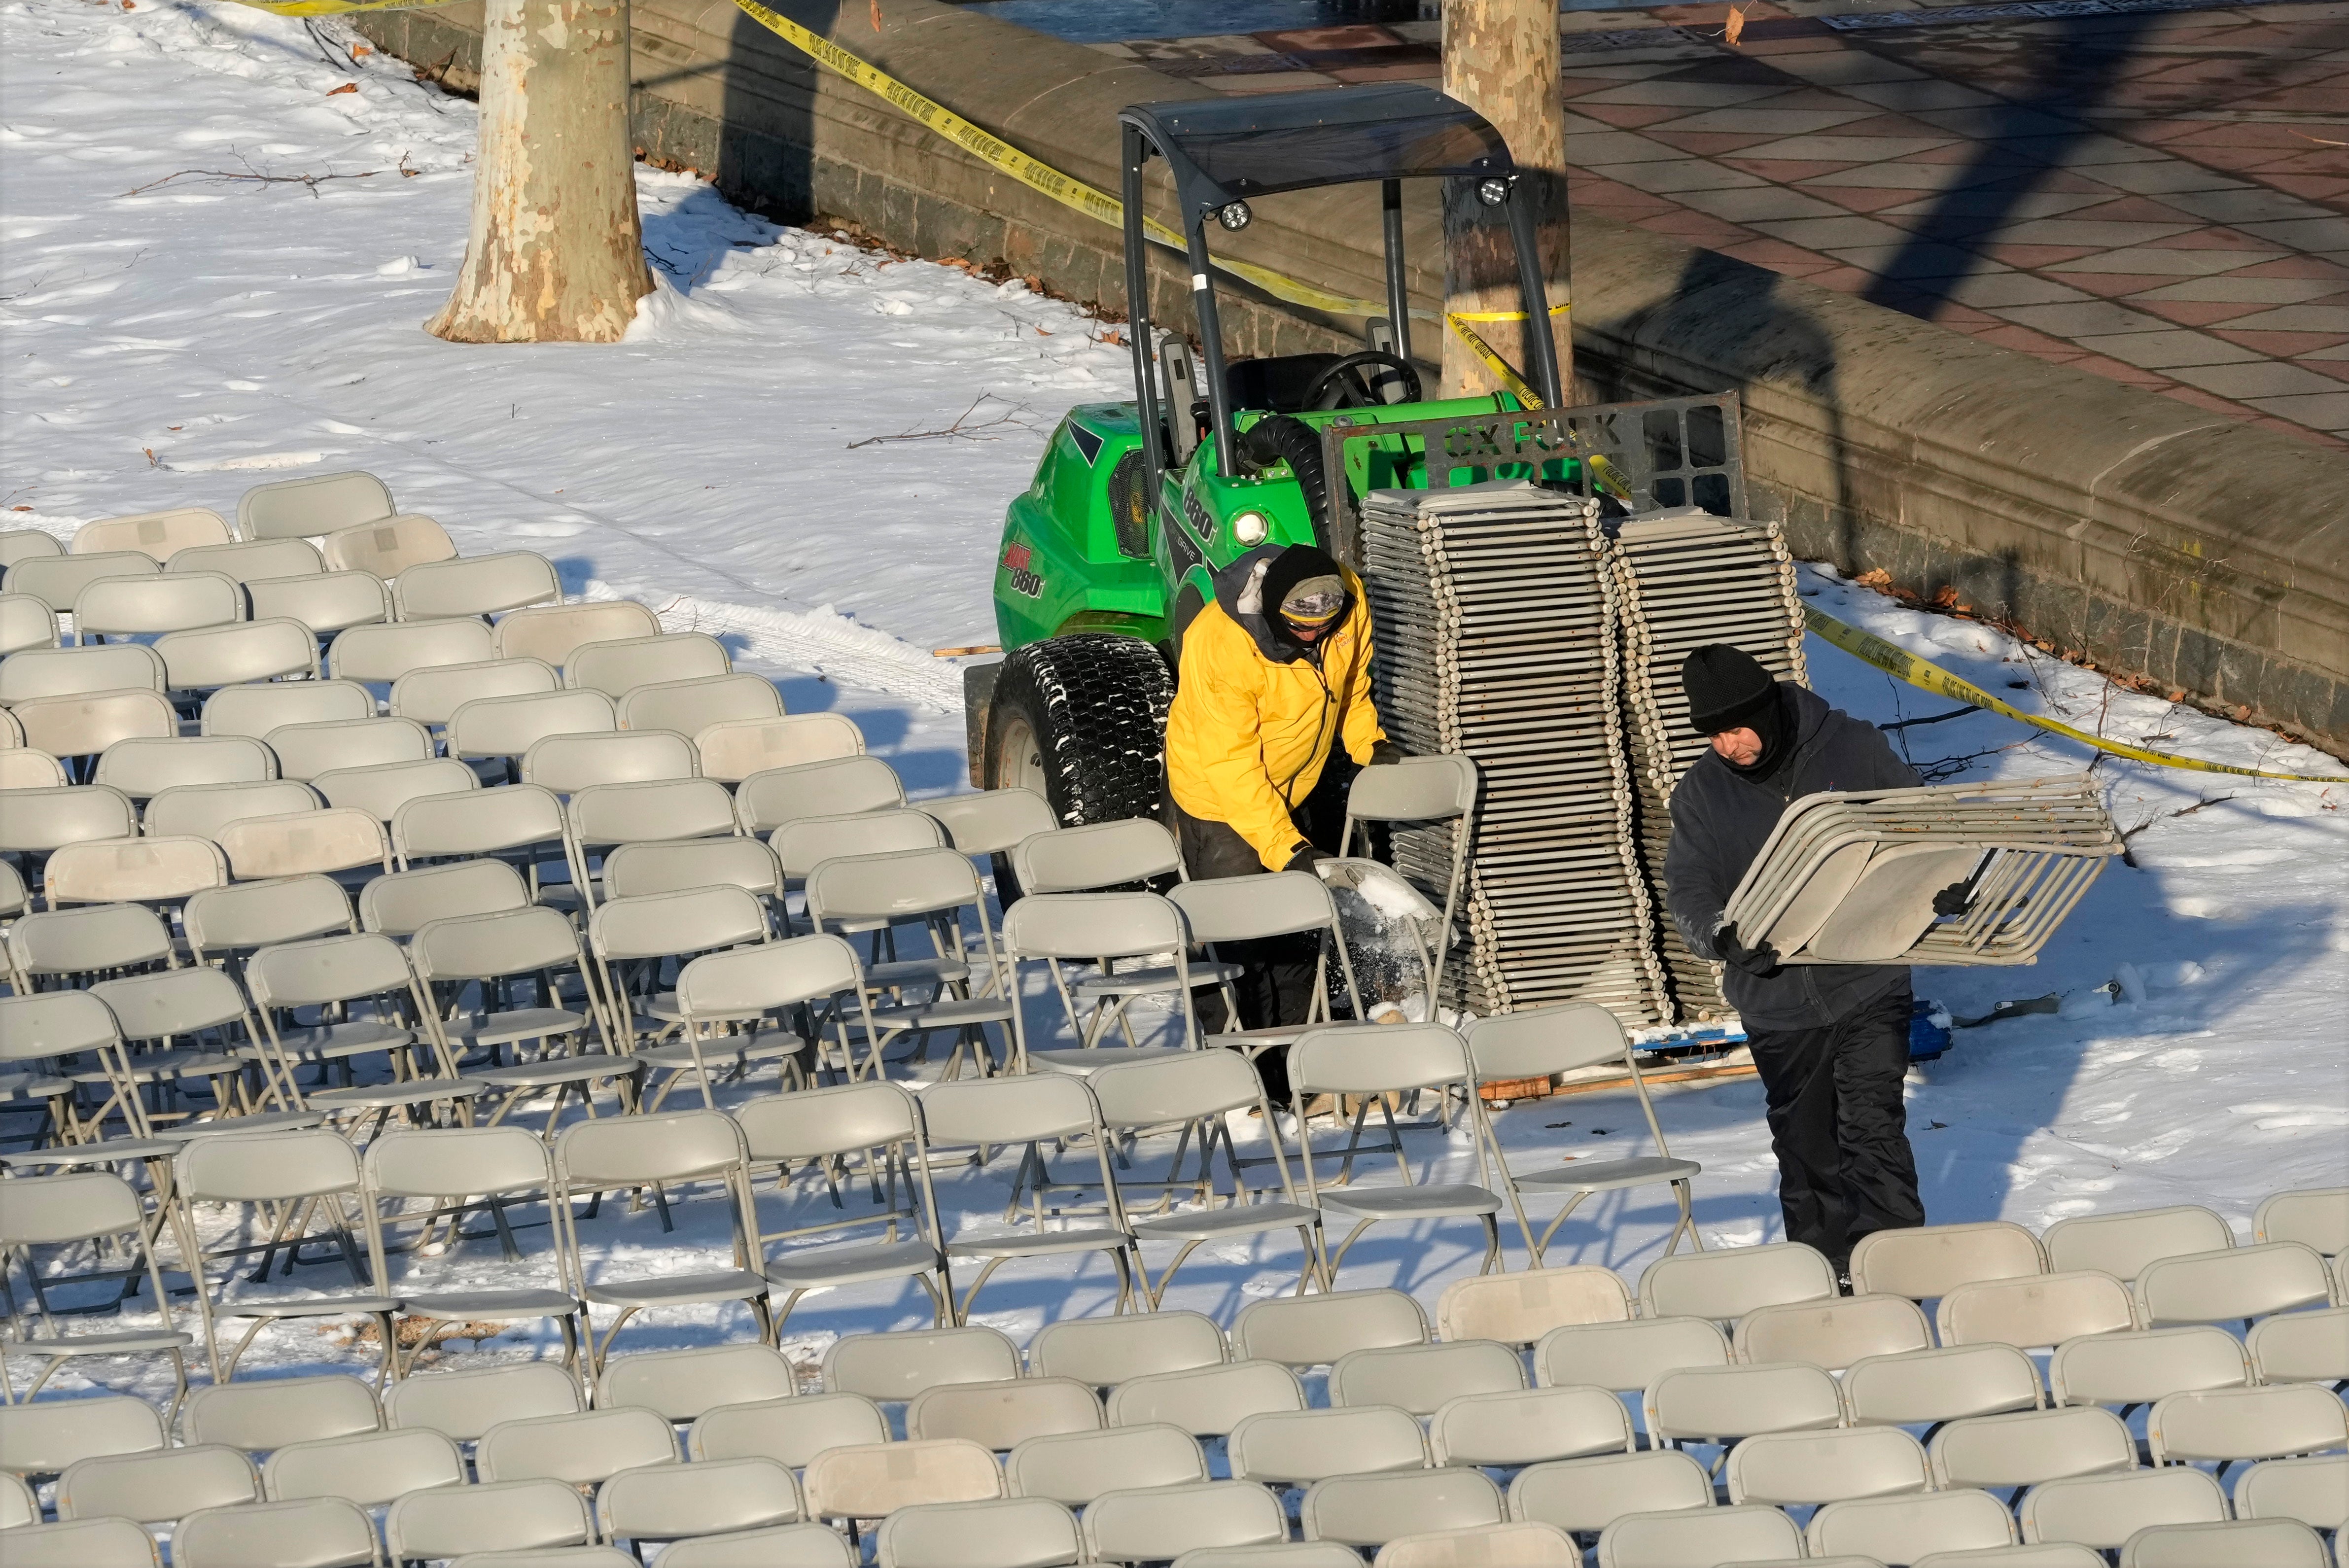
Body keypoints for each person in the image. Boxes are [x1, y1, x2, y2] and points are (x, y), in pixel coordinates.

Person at [1662, 643, 1928, 1283]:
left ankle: (1894, 1275)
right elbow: (1689, 888)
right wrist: (1721, 935)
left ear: (1767, 708)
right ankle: (1825, 1274)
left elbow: (1918, 825)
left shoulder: (1850, 748)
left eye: (1736, 727)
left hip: (1867, 974)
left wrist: (1937, 882)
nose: (1729, 745)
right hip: (1775, 998)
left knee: (1873, 1126)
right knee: (1808, 1146)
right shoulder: (1701, 793)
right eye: (1714, 735)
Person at [1164, 541, 1401, 1083]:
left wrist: (1369, 743)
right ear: (1272, 611)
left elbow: (1351, 686)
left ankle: (1298, 1060)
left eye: (1324, 624)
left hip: (1297, 778)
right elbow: (1232, 765)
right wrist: (1283, 846)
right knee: (1238, 934)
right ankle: (1235, 1072)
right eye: (1299, 627)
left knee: (1296, 926)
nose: (1315, 635)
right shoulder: (1221, 644)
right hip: (1218, 794)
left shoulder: (1348, 598)